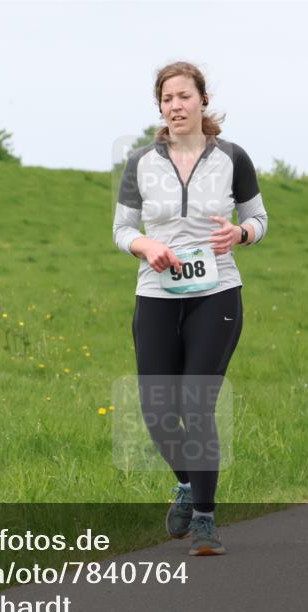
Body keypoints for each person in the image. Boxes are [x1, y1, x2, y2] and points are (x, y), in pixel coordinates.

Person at [113, 62, 267, 555]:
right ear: (159, 107)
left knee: (197, 404)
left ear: (203, 100)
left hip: (216, 293)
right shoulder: (140, 162)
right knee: (158, 411)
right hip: (156, 293)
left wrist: (240, 234)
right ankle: (187, 483)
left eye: (184, 96)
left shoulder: (233, 158)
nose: (175, 106)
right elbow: (122, 229)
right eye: (166, 99)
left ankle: (204, 519)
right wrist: (143, 246)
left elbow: (259, 218)